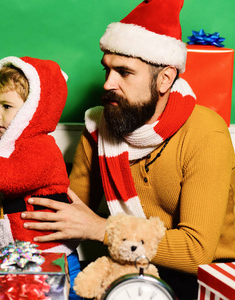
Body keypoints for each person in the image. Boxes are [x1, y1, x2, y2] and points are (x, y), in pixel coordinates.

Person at [19, 0, 235, 299]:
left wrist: (103, 230)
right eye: (107, 69)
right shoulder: (100, 123)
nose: (108, 83)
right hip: (126, 264)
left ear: (165, 79)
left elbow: (196, 252)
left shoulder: (205, 132)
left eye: (124, 72)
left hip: (205, 277)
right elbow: (70, 210)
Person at [0, 56, 81, 299]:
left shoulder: (42, 147)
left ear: (33, 111)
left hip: (51, 253)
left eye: (7, 107)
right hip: (14, 254)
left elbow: (8, 176)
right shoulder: (1, 149)